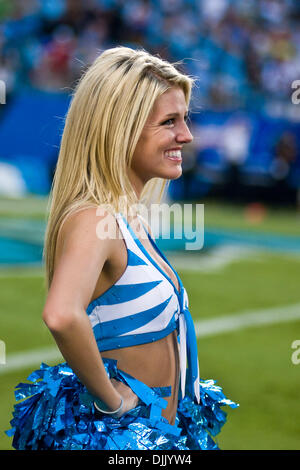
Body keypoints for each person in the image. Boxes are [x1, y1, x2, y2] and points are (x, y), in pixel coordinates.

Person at [6, 46, 237, 450]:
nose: (186, 135)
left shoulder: (127, 216)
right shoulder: (96, 217)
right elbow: (61, 314)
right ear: (121, 128)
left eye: (185, 119)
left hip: (163, 440)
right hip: (126, 442)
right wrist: (112, 403)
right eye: (169, 122)